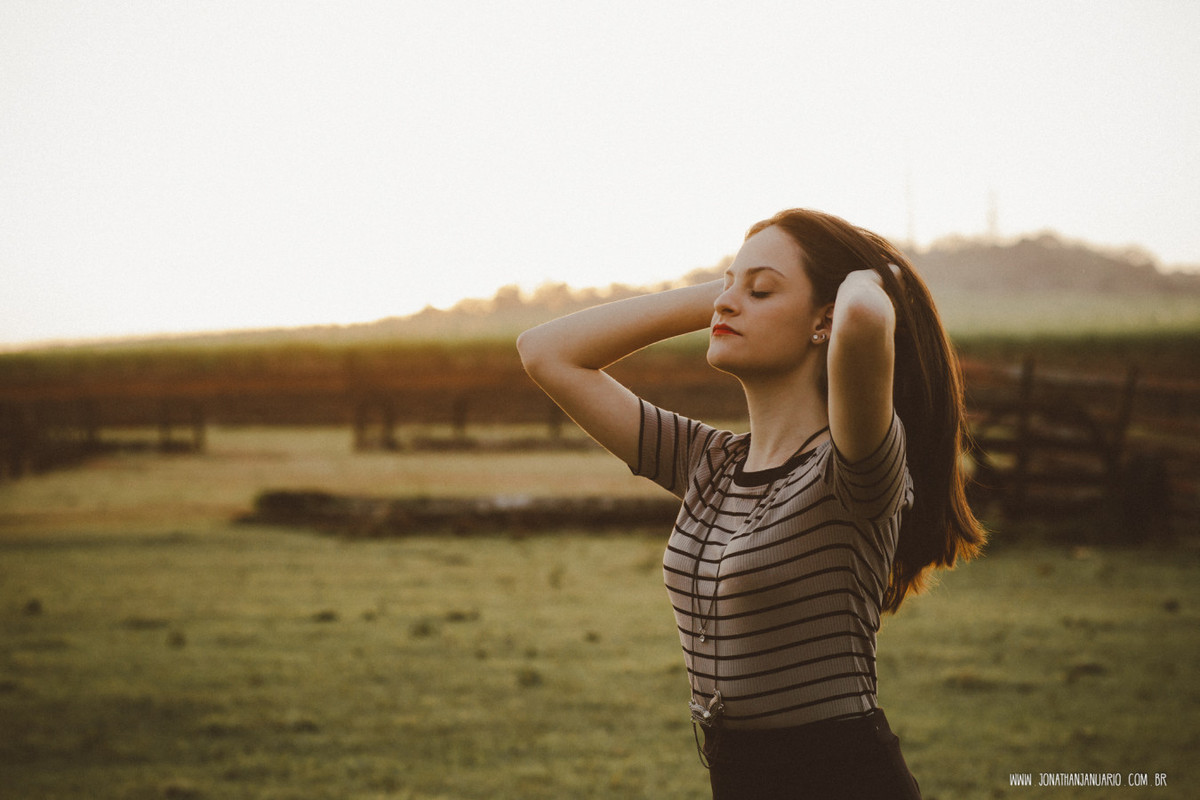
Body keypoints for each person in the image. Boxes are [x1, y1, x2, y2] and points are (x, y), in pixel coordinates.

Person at [516, 208, 986, 799]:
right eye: (728, 285)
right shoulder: (708, 464)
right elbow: (544, 351)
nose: (727, 304)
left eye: (762, 290)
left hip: (842, 780)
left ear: (826, 318)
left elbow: (866, 321)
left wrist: (872, 279)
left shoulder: (856, 469)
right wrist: (732, 291)